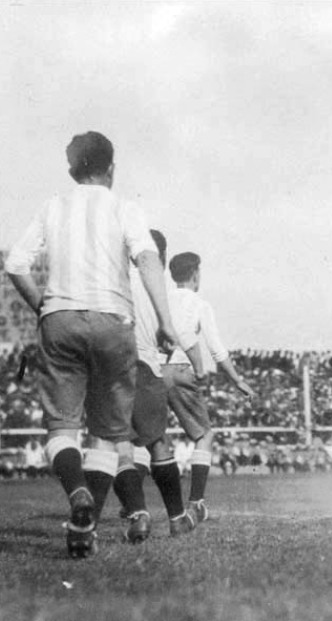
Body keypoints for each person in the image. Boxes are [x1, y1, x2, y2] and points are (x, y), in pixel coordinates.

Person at [5, 131, 179, 558]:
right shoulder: (125, 207)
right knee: (106, 433)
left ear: (71, 170)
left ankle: (78, 494)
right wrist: (165, 321)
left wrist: (42, 305)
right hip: (113, 319)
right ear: (112, 168)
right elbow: (147, 259)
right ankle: (85, 528)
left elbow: (15, 263)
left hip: (60, 319)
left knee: (62, 428)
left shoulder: (53, 205)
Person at [112, 230, 200, 541]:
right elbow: (177, 334)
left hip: (115, 366)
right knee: (157, 442)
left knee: (120, 445)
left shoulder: (116, 279)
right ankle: (177, 518)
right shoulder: (159, 287)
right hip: (148, 368)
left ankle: (139, 514)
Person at [163, 251, 256, 522]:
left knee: (148, 439)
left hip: (149, 371)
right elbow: (216, 349)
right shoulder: (200, 304)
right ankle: (196, 503)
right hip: (180, 371)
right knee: (204, 435)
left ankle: (134, 509)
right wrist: (238, 380)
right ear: (195, 274)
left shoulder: (161, 299)